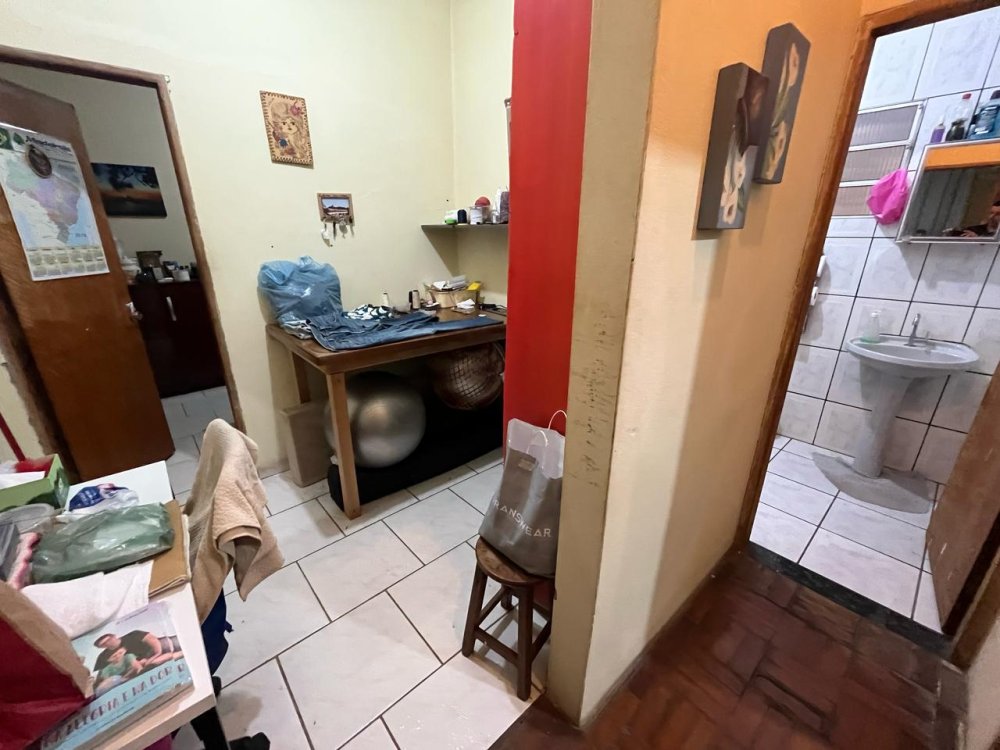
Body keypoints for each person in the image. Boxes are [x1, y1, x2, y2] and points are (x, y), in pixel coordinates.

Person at [93, 629, 182, 675]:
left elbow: (153, 641)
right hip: (144, 663)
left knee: (178, 642)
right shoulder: (103, 657)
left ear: (114, 636)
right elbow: (99, 674)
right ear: (101, 647)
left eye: (108, 640)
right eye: (103, 644)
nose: (108, 643)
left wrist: (153, 657)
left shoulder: (132, 635)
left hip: (159, 648)